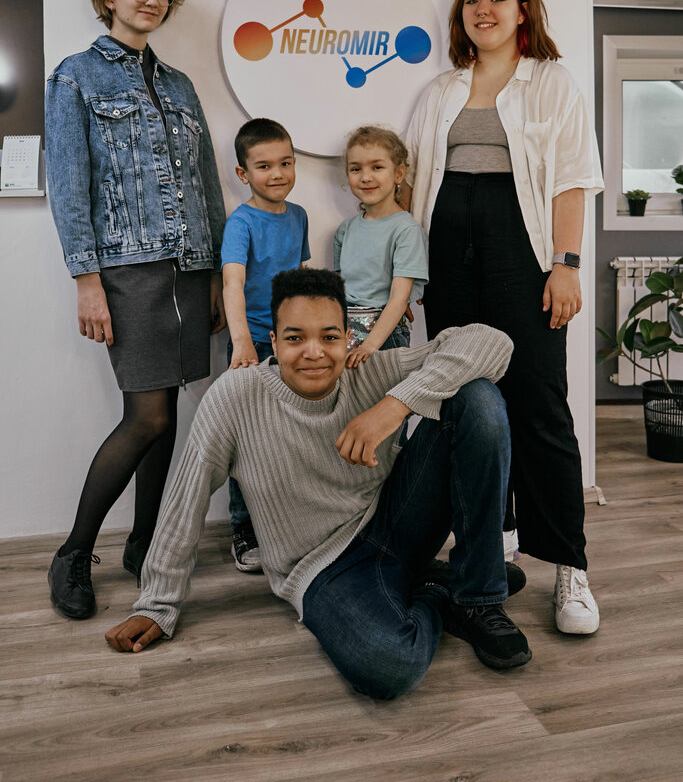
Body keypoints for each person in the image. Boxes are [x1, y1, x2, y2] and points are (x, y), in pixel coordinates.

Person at [105, 267, 531, 699]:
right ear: (274, 342)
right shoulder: (235, 398)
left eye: (329, 337)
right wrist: (157, 605)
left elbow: (491, 342)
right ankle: (439, 590)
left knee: (477, 398)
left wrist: (394, 406)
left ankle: (478, 599)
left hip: (397, 522)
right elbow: (186, 498)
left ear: (347, 340)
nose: (314, 352)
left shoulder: (366, 371)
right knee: (389, 666)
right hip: (324, 569)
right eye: (295, 338)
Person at [403, 0, 604, 635]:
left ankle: (569, 566)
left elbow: (570, 180)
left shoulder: (550, 82)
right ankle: (494, 538)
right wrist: (408, 275)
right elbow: (414, 183)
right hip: (447, 258)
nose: (482, 10)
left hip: (524, 255)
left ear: (523, 10)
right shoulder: (439, 90)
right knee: (466, 399)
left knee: (538, 404)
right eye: (471, 0)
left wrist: (565, 265)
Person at [45, 0, 226, 620]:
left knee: (168, 412)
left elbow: (207, 183)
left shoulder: (179, 85)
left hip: (189, 267)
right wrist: (86, 280)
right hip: (127, 269)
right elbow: (70, 188)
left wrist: (214, 272)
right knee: (145, 415)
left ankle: (145, 544)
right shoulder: (76, 77)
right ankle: (73, 552)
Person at [221, 117, 310, 571]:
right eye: (264, 166)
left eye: (286, 163)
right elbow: (232, 284)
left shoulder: (299, 216)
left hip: (290, 343)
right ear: (243, 173)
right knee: (248, 439)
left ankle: (288, 523)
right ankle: (244, 527)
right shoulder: (241, 223)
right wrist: (243, 343)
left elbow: (301, 279)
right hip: (252, 343)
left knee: (291, 435)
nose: (278, 174)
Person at [334, 125, 428, 366]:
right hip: (344, 330)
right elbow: (337, 290)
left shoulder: (406, 230)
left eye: (377, 167)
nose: (365, 177)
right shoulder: (345, 230)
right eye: (356, 169)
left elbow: (399, 298)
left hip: (384, 336)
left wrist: (369, 345)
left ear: (399, 173)